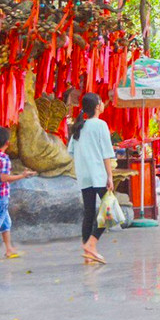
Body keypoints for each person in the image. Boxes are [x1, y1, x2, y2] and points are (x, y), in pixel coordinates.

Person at [68, 92, 117, 264]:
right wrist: (109, 176)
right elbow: (106, 154)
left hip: (84, 176)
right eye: (101, 102)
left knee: (89, 213)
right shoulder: (100, 125)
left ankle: (87, 254)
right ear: (97, 106)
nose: (103, 104)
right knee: (109, 212)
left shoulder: (79, 126)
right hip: (99, 175)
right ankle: (92, 244)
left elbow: (71, 151)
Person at [0, 126, 36, 262]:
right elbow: (4, 178)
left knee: (5, 222)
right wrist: (22, 175)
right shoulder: (4, 159)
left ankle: (9, 249)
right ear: (7, 143)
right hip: (1, 196)